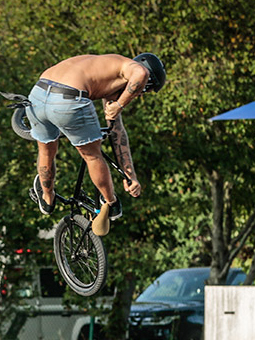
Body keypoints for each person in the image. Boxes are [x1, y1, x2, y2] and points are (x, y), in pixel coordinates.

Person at [24, 53, 165, 236]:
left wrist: (130, 176)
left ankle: (47, 198)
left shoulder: (105, 68)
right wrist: (120, 105)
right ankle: (110, 203)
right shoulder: (130, 67)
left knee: (45, 150)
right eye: (143, 91)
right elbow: (141, 73)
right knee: (92, 155)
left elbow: (118, 133)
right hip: (69, 99)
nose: (138, 95)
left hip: (37, 94)